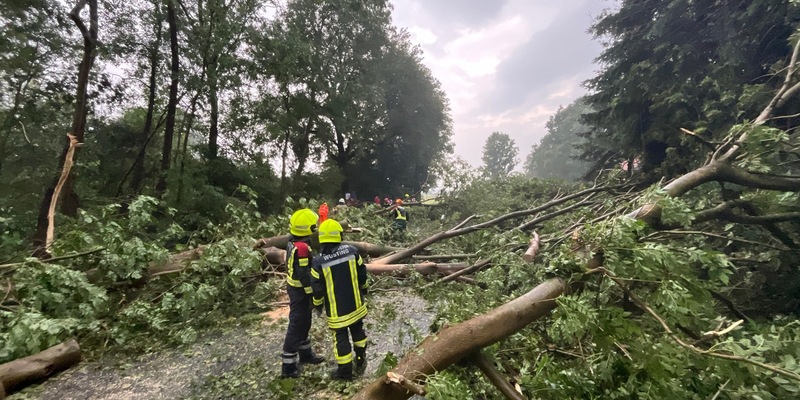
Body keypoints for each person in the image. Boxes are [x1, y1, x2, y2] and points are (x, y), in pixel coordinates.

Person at [310, 219, 369, 381]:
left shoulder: (318, 261)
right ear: (340, 235)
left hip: (338, 312)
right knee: (358, 331)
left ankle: (345, 372)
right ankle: (360, 359)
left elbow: (316, 288)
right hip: (356, 305)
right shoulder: (352, 251)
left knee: (341, 338)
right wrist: (364, 289)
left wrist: (317, 304)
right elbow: (362, 273)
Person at [281, 208, 325, 378]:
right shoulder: (302, 249)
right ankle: (289, 366)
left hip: (296, 288)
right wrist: (313, 293)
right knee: (297, 323)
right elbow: (304, 275)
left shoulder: (293, 242)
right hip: (300, 291)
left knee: (305, 321)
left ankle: (305, 354)